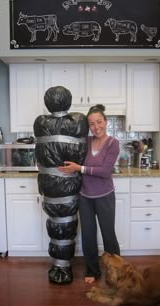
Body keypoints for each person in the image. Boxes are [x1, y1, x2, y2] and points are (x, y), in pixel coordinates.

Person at [59, 104, 120, 284]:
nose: (96, 127)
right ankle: (93, 270)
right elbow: (69, 152)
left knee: (108, 235)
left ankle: (117, 270)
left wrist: (80, 168)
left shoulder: (113, 143)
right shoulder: (85, 142)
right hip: (85, 196)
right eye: (92, 124)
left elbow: (105, 171)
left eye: (99, 122)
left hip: (104, 195)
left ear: (106, 121)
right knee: (88, 235)